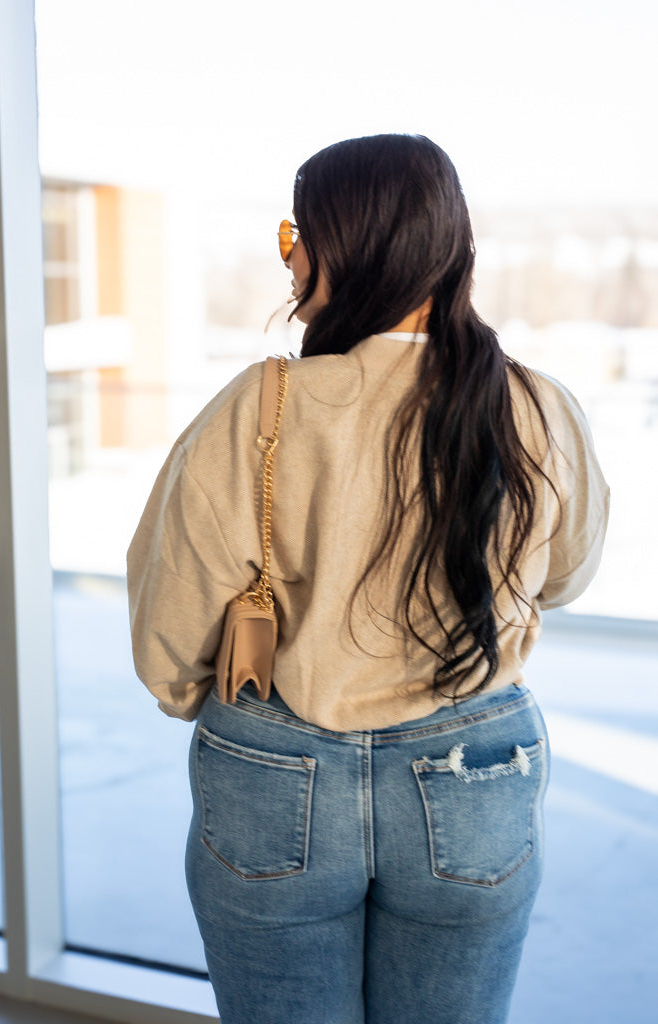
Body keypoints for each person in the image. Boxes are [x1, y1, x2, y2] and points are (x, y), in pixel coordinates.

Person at [127, 134, 610, 1024]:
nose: (287, 258)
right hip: (475, 766)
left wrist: (194, 695)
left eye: (295, 235)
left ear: (346, 247)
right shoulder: (535, 403)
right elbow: (566, 575)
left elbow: (172, 619)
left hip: (276, 761)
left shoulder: (261, 404)